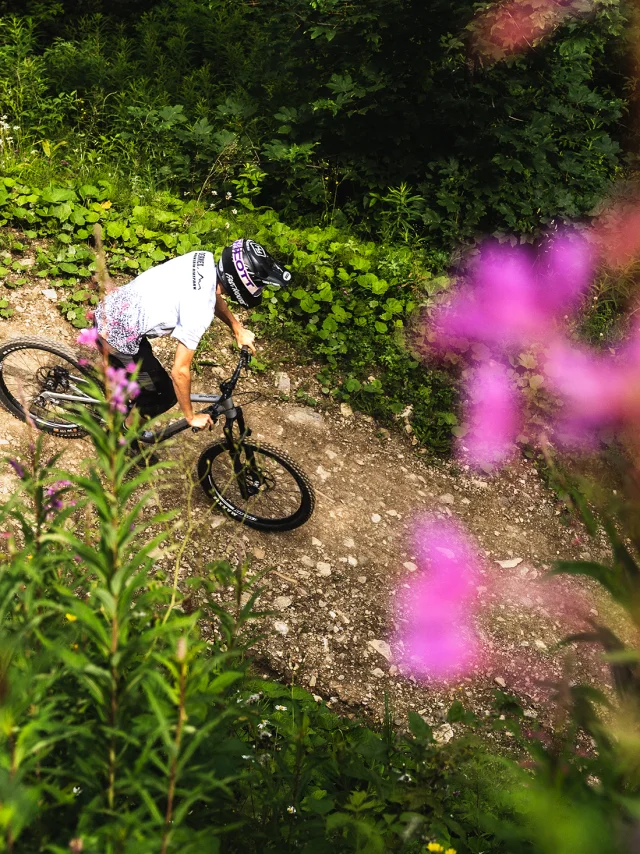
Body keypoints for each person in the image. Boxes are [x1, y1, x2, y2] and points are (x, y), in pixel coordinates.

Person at [94, 238, 291, 429]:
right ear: (242, 282)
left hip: (114, 310)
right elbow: (180, 371)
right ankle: (123, 438)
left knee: (148, 378)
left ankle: (127, 390)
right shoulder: (199, 310)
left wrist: (237, 328)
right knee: (163, 395)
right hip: (114, 335)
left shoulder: (202, 260)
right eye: (259, 285)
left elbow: (210, 294)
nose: (259, 290)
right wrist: (190, 416)